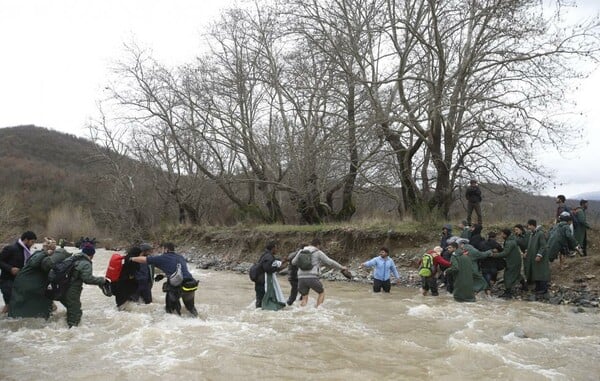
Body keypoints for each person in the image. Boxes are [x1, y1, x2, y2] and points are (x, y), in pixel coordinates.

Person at [131, 242, 199, 316]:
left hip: (177, 287)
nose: (161, 251)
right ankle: (198, 320)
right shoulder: (180, 257)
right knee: (191, 309)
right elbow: (177, 271)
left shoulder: (163, 257)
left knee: (171, 312)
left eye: (162, 249)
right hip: (190, 285)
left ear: (165, 249)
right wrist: (163, 275)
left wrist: (131, 258)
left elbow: (145, 260)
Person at [8, 238, 70, 319]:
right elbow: (34, 263)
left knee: (23, 310)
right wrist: (46, 251)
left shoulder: (42, 254)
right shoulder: (42, 254)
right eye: (50, 244)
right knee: (25, 310)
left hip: (27, 285)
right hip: (28, 286)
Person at [57, 240, 109, 327]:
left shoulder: (73, 257)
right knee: (75, 313)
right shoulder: (85, 263)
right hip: (72, 290)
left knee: (71, 309)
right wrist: (102, 280)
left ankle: (63, 327)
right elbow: (87, 279)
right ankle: (71, 333)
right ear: (91, 255)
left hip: (61, 287)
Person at [291, 238, 348, 307]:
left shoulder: (301, 251)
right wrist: (341, 267)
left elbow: (293, 262)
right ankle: (318, 310)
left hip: (300, 278)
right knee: (321, 293)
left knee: (304, 298)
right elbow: (330, 262)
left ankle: (302, 311)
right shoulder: (317, 252)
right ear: (318, 245)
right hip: (312, 277)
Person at [0, 231, 37, 314]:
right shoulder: (11, 248)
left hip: (19, 282)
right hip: (6, 281)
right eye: (32, 242)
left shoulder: (27, 252)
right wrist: (10, 269)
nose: (33, 244)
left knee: (17, 305)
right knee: (9, 305)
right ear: (26, 240)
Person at [493, 229, 523, 299]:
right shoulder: (511, 240)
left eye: (502, 234)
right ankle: (524, 286)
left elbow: (505, 253)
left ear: (505, 235)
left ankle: (508, 292)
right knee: (516, 274)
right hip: (515, 261)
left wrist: (494, 255)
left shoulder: (509, 242)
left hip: (512, 262)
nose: (501, 235)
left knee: (507, 276)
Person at [251, 241, 282, 308]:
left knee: (259, 300)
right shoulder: (269, 257)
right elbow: (267, 269)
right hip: (262, 282)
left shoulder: (265, 255)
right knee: (262, 300)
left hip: (259, 280)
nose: (277, 250)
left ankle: (257, 314)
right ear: (273, 248)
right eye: (276, 248)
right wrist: (277, 268)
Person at [524, 219, 550, 300]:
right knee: (536, 272)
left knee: (541, 272)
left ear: (532, 225)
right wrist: (526, 252)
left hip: (540, 257)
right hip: (533, 257)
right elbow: (530, 245)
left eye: (528, 225)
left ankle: (543, 289)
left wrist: (539, 255)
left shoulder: (540, 233)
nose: (528, 227)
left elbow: (543, 246)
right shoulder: (532, 234)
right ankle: (538, 288)